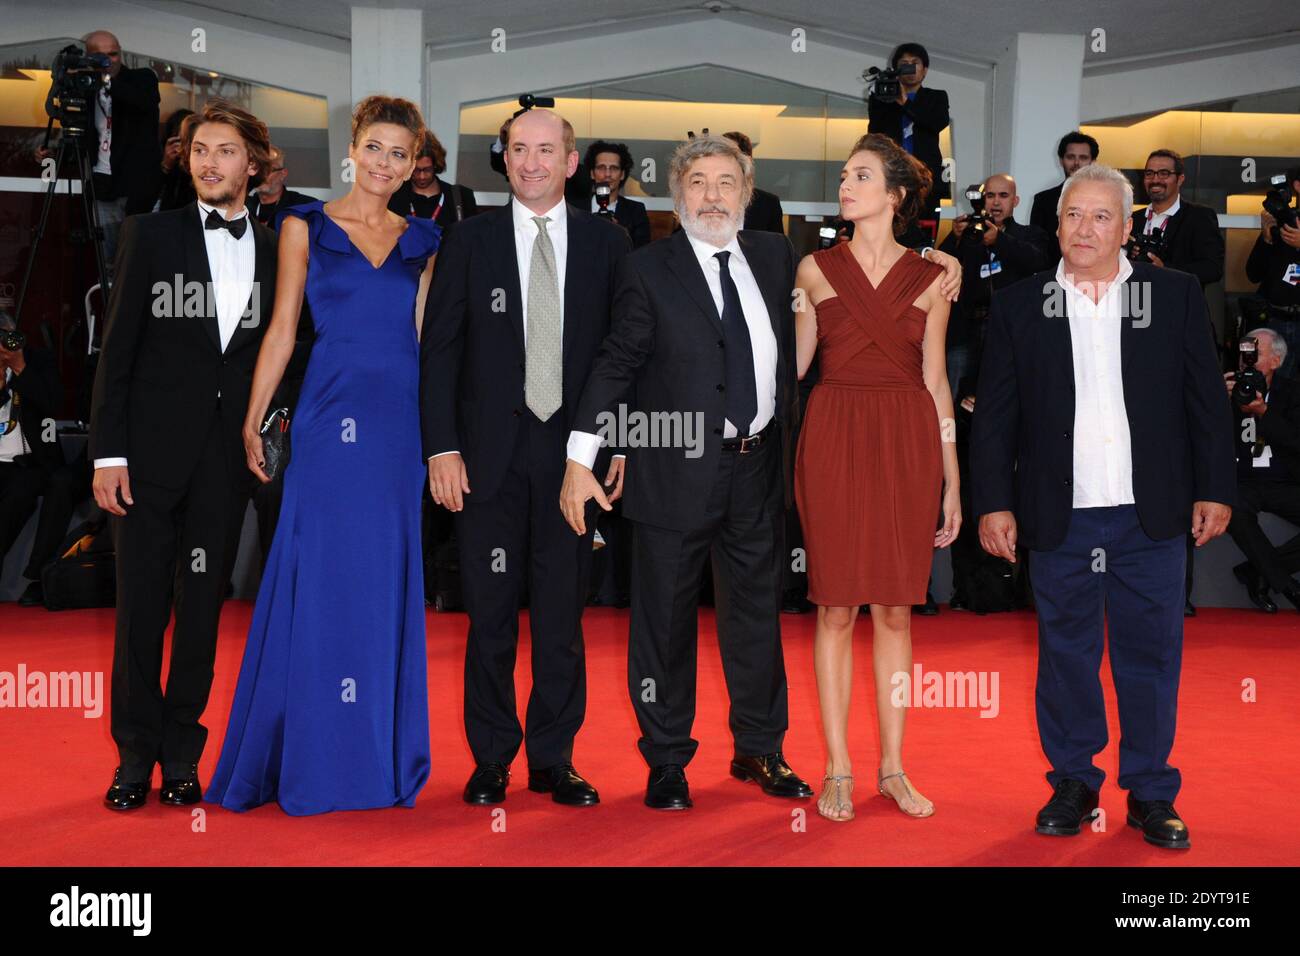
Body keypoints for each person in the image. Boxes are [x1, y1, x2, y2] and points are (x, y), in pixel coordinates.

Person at [972, 163, 1235, 850]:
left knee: (1152, 658)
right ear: (1055, 224)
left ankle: (1151, 792)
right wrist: (993, 502)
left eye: (1099, 217)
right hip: (1061, 515)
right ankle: (1073, 781)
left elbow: (1207, 402)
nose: (1083, 229)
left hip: (1152, 515)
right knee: (1066, 655)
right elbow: (994, 418)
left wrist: (1215, 487)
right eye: (1071, 216)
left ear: (1126, 226)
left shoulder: (1172, 295)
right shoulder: (1018, 303)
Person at [558, 133, 810, 810]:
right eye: (698, 182)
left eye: (727, 183)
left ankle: (761, 749)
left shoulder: (776, 255)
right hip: (672, 475)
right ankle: (667, 760)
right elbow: (616, 365)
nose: (713, 196)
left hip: (758, 472)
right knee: (664, 625)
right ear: (677, 194)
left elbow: (838, 291)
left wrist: (937, 259)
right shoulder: (647, 269)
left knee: (757, 619)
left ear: (747, 194)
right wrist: (584, 458)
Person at [204, 96, 440, 815]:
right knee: (322, 577)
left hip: (397, 430)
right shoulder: (303, 226)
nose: (384, 164)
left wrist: (440, 442)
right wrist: (254, 417)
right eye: (375, 147)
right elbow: (281, 329)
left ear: (413, 166)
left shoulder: (425, 239)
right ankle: (311, 752)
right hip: (330, 420)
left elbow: (426, 345)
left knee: (381, 581)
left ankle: (374, 755)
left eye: (399, 154)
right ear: (353, 146)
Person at [421, 108, 631, 808]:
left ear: (572, 163)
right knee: (487, 616)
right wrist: (441, 448)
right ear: (503, 159)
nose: (533, 162)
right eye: (520, 150)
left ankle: (553, 758)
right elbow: (439, 351)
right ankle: (491, 759)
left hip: (574, 461)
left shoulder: (609, 243)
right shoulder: (469, 240)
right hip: (483, 463)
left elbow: (623, 356)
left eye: (548, 150)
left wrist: (616, 441)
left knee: (563, 619)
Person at [90, 99, 279, 811]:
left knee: (201, 609)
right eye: (199, 149)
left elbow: (284, 357)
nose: (209, 161)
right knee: (140, 610)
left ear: (251, 165)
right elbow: (118, 352)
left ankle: (181, 752)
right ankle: (132, 757)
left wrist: (272, 429)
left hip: (222, 466)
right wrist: (109, 454)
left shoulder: (272, 247)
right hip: (145, 459)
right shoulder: (152, 234)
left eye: (225, 150)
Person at [792, 133, 957, 822]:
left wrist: (953, 479)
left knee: (894, 608)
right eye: (843, 175)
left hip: (907, 440)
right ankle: (837, 769)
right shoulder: (812, 268)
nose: (845, 185)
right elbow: (793, 370)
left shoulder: (932, 279)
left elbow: (937, 380)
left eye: (861, 176)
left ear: (895, 196)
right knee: (835, 606)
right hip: (833, 434)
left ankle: (892, 768)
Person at [37, 31, 161, 266]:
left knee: (138, 263)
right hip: (103, 186)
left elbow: (142, 101)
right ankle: (108, 302)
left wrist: (104, 79)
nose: (108, 61)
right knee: (108, 264)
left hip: (138, 187)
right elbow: (81, 137)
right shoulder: (86, 89)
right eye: (100, 56)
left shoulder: (142, 78)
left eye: (114, 54)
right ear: (87, 57)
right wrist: (53, 155)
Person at [1223, 329, 1300, 612]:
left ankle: (1257, 570)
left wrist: (1264, 412)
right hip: (1242, 482)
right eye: (1244, 354)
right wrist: (1215, 401)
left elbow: (1296, 441)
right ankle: (1288, 586)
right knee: (1235, 510)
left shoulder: (1293, 394)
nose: (1247, 361)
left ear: (1276, 362)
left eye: (1255, 355)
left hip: (1286, 482)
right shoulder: (1226, 390)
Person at [1, 313, 64, 582]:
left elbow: (52, 403)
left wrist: (19, 368)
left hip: (27, 461)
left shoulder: (39, 360)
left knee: (16, 500)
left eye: (7, 336)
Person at [867, 43, 950, 223]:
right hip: (892, 175)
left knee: (924, 229)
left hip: (926, 178)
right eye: (904, 63)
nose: (910, 68)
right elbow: (874, 133)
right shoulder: (883, 99)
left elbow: (937, 122)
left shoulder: (936, 97)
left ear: (925, 70)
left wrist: (904, 102)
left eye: (915, 63)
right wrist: (885, 96)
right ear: (896, 70)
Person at [1129, 149, 1225, 290]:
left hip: (1178, 305)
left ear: (1180, 179)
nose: (1155, 180)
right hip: (1135, 303)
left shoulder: (1199, 217)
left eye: (1164, 173)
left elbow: (1213, 269)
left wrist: (1165, 269)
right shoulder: (1132, 219)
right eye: (1149, 174)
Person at [1246, 165, 1300, 380]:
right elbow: (1253, 274)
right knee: (1277, 389)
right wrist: (1266, 239)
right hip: (1279, 320)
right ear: (1297, 186)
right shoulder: (1284, 220)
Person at [388, 129, 479, 236]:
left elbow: (472, 239)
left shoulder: (461, 197)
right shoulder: (394, 195)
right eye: (416, 170)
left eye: (427, 170)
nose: (422, 176)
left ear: (436, 165)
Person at [1030, 132, 1098, 261]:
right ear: (1061, 160)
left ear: (1093, 162)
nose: (1077, 163)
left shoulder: (1104, 200)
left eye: (1083, 158)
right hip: (1053, 275)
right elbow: (1037, 248)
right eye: (1070, 157)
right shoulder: (1043, 200)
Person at [584, 140, 651, 248]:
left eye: (614, 168)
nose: (607, 174)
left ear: (622, 174)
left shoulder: (636, 211)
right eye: (601, 168)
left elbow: (642, 252)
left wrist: (620, 232)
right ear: (592, 173)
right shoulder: (574, 209)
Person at [721, 132, 785, 234]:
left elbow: (775, 247)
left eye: (729, 156)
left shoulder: (768, 204)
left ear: (747, 162)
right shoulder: (700, 198)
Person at [247, 145, 315, 226]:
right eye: (257, 169)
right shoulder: (242, 207)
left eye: (268, 170)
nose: (261, 175)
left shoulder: (305, 206)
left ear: (283, 174)